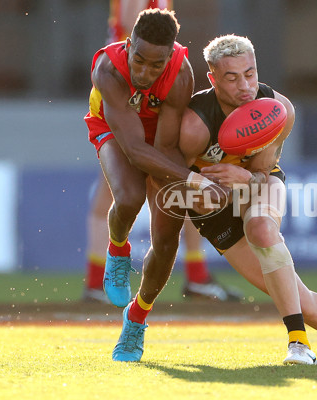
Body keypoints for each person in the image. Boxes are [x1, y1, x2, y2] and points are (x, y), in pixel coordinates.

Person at [111, 34, 317, 365]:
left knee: (263, 230)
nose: (245, 86)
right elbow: (177, 186)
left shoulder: (279, 110)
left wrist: (245, 179)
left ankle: (297, 343)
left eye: (250, 73)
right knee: (300, 300)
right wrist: (210, 193)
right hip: (211, 205)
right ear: (213, 79)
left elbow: (262, 174)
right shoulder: (194, 126)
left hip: (258, 184)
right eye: (232, 77)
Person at [81, 0, 241, 304]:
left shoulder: (181, 72)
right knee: (128, 198)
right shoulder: (108, 68)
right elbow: (134, 149)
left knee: (168, 226)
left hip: (154, 124)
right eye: (139, 60)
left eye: (156, 64)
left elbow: (164, 146)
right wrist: (195, 181)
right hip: (113, 125)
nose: (144, 73)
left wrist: (187, 180)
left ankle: (138, 318)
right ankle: (118, 250)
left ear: (169, 57)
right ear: (128, 47)